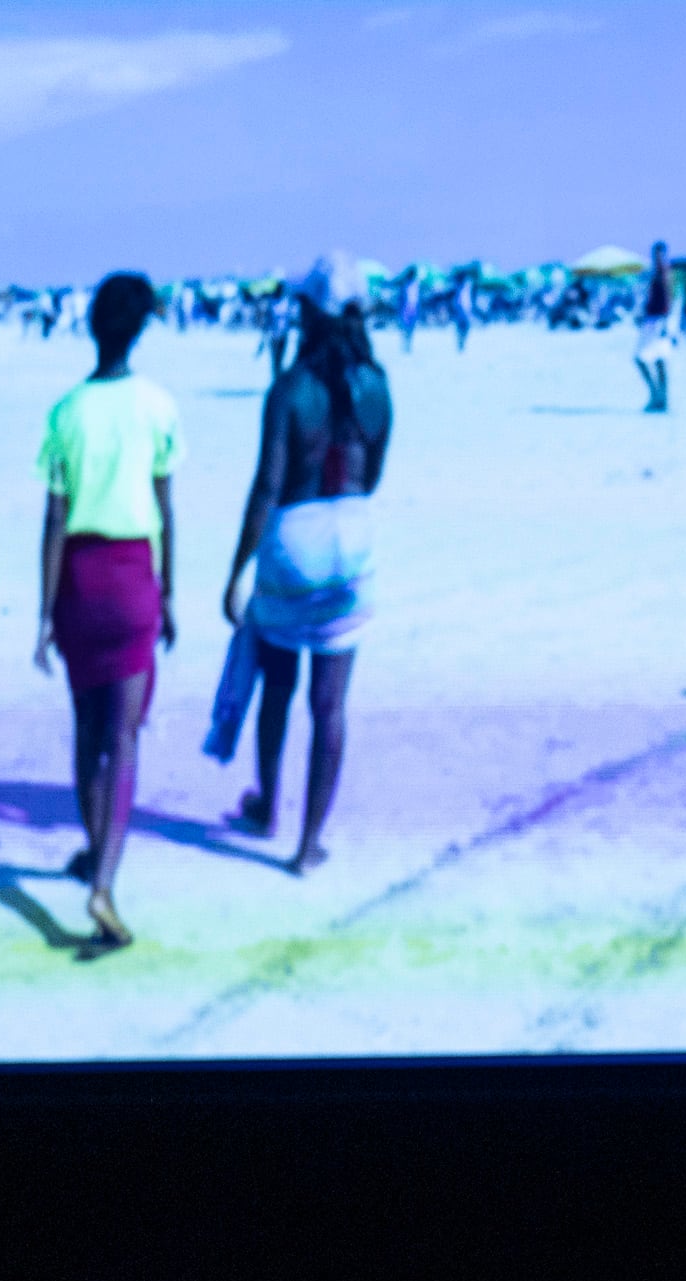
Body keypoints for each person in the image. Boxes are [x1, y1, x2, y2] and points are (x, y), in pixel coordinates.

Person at [221, 250, 388, 873]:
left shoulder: (289, 388)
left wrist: (238, 567)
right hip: (351, 535)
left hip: (294, 539)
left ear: (310, 314)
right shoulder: (378, 385)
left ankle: (267, 809)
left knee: (278, 689)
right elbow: (374, 474)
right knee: (331, 704)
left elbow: (266, 485)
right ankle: (308, 843)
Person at [34, 270, 179, 955]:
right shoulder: (157, 406)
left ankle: (94, 851)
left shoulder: (66, 411)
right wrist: (171, 592)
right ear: (141, 329)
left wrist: (43, 613)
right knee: (123, 741)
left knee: (85, 730)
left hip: (79, 583)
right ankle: (104, 885)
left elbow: (53, 519)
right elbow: (165, 508)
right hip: (131, 578)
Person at [634, 242, 677, 414]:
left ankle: (658, 397)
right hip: (653, 319)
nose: (658, 258)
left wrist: (668, 322)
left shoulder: (665, 274)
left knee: (646, 358)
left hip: (658, 321)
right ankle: (659, 397)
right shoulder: (658, 274)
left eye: (660, 254)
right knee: (658, 359)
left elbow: (669, 299)